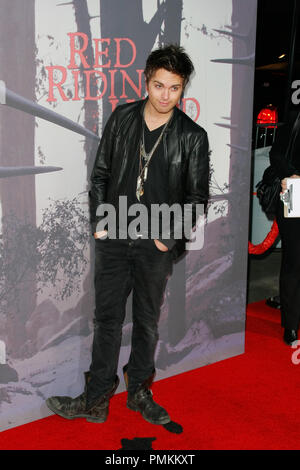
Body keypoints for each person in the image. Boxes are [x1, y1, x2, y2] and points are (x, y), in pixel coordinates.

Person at [46, 44, 209, 424]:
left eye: (174, 88)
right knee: (106, 320)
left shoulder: (192, 136)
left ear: (183, 89)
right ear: (146, 81)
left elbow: (197, 197)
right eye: (158, 85)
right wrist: (100, 224)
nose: (165, 95)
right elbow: (100, 174)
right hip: (115, 238)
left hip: (156, 243)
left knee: (148, 322)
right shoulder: (122, 118)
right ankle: (97, 396)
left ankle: (138, 391)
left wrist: (167, 238)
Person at [269, 109, 300, 346]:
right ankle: (290, 324)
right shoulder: (294, 119)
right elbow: (276, 154)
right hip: (294, 191)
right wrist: (289, 174)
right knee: (294, 258)